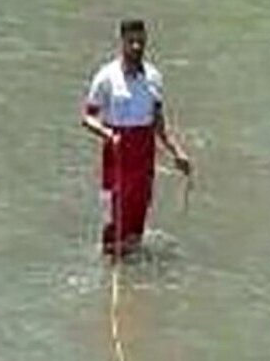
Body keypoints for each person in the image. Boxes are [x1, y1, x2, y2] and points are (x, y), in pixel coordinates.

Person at [81, 18, 191, 258]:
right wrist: (108, 134)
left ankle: (133, 274)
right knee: (116, 213)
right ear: (122, 42)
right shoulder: (106, 76)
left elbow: (159, 123)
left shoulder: (153, 77)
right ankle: (111, 265)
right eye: (131, 42)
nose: (136, 47)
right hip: (118, 149)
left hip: (144, 150)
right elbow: (87, 117)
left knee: (138, 212)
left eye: (140, 42)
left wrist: (177, 152)